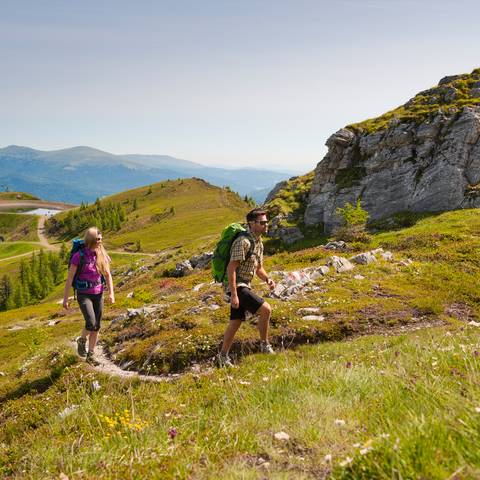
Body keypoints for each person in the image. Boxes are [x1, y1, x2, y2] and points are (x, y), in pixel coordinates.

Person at [217, 208, 276, 367]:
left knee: (235, 321)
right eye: (262, 222)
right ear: (252, 223)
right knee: (266, 309)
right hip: (237, 286)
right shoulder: (243, 242)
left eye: (266, 222)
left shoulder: (259, 242)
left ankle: (222, 357)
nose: (266, 225)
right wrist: (234, 294)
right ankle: (264, 345)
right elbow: (231, 268)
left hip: (244, 285)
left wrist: (267, 279)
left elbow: (258, 269)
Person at [63, 227, 114, 365]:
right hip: (83, 294)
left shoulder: (101, 254)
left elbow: (108, 275)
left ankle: (91, 355)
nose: (100, 241)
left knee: (96, 326)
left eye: (101, 239)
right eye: (98, 239)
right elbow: (69, 279)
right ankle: (82, 341)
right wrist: (65, 299)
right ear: (91, 240)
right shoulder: (78, 256)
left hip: (98, 293)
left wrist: (111, 293)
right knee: (91, 323)